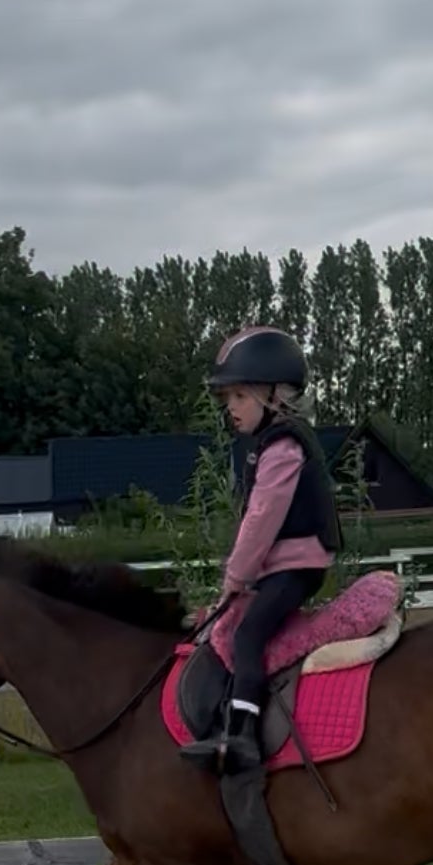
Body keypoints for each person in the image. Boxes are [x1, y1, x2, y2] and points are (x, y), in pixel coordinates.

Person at [179, 326, 342, 776]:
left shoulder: (283, 446)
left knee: (247, 636)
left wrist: (235, 578)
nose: (230, 409)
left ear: (273, 395)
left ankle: (243, 738)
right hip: (284, 565)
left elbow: (261, 519)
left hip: (296, 566)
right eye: (227, 399)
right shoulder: (268, 444)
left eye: (239, 398)